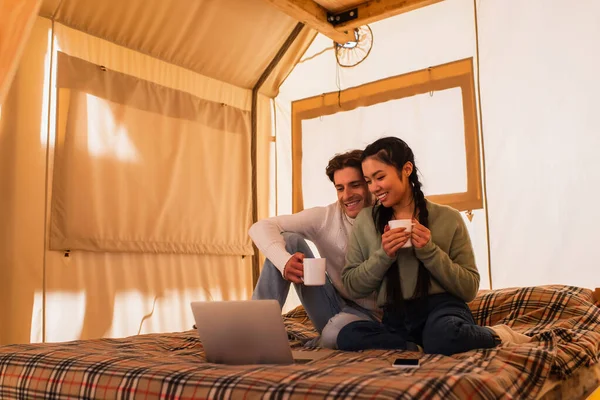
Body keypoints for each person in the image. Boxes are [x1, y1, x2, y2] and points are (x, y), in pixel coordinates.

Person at [338, 137, 530, 355]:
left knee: (444, 334)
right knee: (347, 335)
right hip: (395, 316)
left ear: (407, 169)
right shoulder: (366, 220)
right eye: (368, 180)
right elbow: (352, 285)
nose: (374, 188)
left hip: (443, 310)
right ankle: (415, 347)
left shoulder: (449, 218)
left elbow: (469, 288)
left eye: (380, 177)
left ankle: (498, 335)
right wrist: (384, 255)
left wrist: (429, 251)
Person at [249, 150, 380, 348]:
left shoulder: (388, 213)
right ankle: (254, 331)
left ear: (369, 183)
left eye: (355, 185)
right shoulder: (326, 217)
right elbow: (260, 227)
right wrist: (284, 261)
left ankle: (326, 340)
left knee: (332, 335)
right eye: (340, 188)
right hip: (333, 304)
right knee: (289, 241)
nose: (347, 195)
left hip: (374, 317)